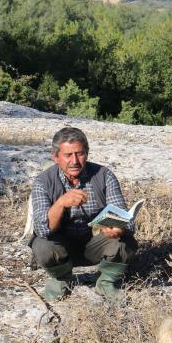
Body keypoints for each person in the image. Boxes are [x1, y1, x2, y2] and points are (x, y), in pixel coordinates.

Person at [29, 126, 137, 302]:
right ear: (55, 157)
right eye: (68, 155)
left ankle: (107, 282)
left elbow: (125, 218)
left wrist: (119, 229)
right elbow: (43, 230)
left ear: (87, 153)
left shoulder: (104, 175)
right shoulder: (43, 181)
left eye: (80, 154)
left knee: (126, 242)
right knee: (42, 247)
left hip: (96, 243)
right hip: (62, 246)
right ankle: (62, 278)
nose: (75, 161)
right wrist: (61, 203)